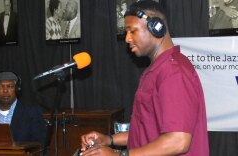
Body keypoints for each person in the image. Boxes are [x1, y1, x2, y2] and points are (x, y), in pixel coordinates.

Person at [80, 1, 209, 156]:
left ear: (156, 28)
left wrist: (119, 155)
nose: (127, 39)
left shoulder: (174, 72)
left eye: (132, 31)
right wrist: (109, 140)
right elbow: (145, 134)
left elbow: (178, 141)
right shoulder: (156, 70)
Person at [0, 71, 47, 149]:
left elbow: (40, 144)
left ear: (17, 89)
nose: (5, 91)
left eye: (10, 86)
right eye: (0, 87)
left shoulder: (31, 113)